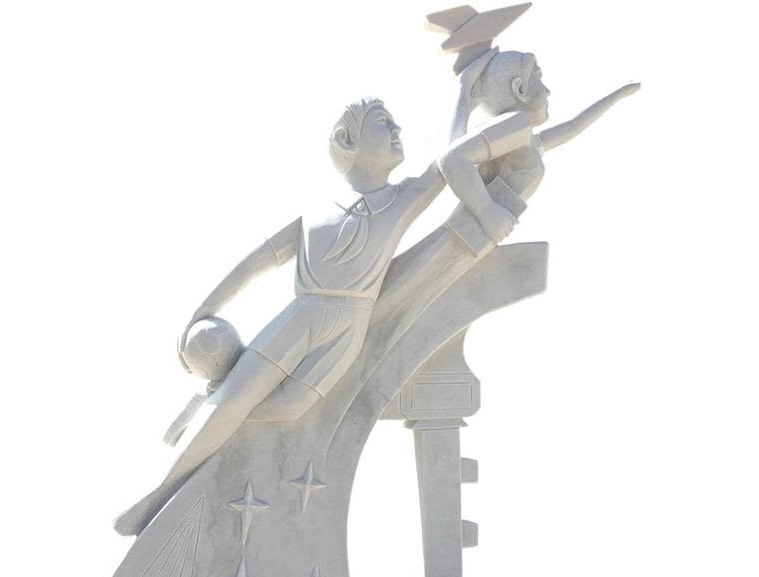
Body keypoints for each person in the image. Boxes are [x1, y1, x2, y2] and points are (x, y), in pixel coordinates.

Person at [115, 97, 535, 536]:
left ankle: (209, 411)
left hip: (347, 327)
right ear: (347, 140)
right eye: (383, 122)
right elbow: (251, 266)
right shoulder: (314, 214)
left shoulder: (406, 198)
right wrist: (203, 311)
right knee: (232, 402)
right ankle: (156, 497)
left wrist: (467, 95)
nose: (397, 129)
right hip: (300, 316)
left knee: (287, 406)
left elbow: (453, 153)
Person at [439, 47, 640, 240]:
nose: (548, 91)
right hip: (462, 241)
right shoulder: (518, 123)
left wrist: (620, 94)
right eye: (539, 78)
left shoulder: (521, 139)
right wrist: (487, 212)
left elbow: (573, 126)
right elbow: (451, 159)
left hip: (469, 241)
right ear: (519, 88)